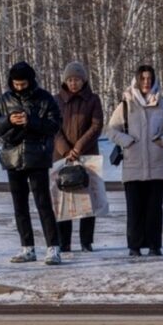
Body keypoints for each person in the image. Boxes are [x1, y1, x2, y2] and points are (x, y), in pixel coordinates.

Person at [0, 61, 63, 265]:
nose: (19, 87)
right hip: (12, 157)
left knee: (43, 203)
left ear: (31, 81)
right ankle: (27, 247)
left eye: (23, 83)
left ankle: (53, 248)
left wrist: (31, 121)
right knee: (19, 206)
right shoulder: (4, 100)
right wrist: (9, 121)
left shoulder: (44, 99)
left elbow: (54, 124)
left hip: (37, 156)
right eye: (16, 84)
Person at [106, 65, 163, 257]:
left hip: (157, 165)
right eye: (143, 78)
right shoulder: (127, 103)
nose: (146, 82)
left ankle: (154, 245)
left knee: (154, 209)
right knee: (134, 209)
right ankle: (134, 245)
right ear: (137, 80)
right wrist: (127, 140)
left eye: (149, 78)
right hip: (133, 165)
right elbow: (111, 130)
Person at [53, 61, 104, 253]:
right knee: (63, 200)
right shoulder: (56, 100)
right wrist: (66, 150)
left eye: (77, 79)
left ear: (84, 80)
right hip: (61, 156)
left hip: (87, 155)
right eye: (70, 80)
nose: (74, 83)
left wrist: (79, 148)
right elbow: (53, 127)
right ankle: (63, 242)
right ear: (65, 81)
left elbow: (96, 126)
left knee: (87, 199)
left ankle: (86, 241)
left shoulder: (93, 100)